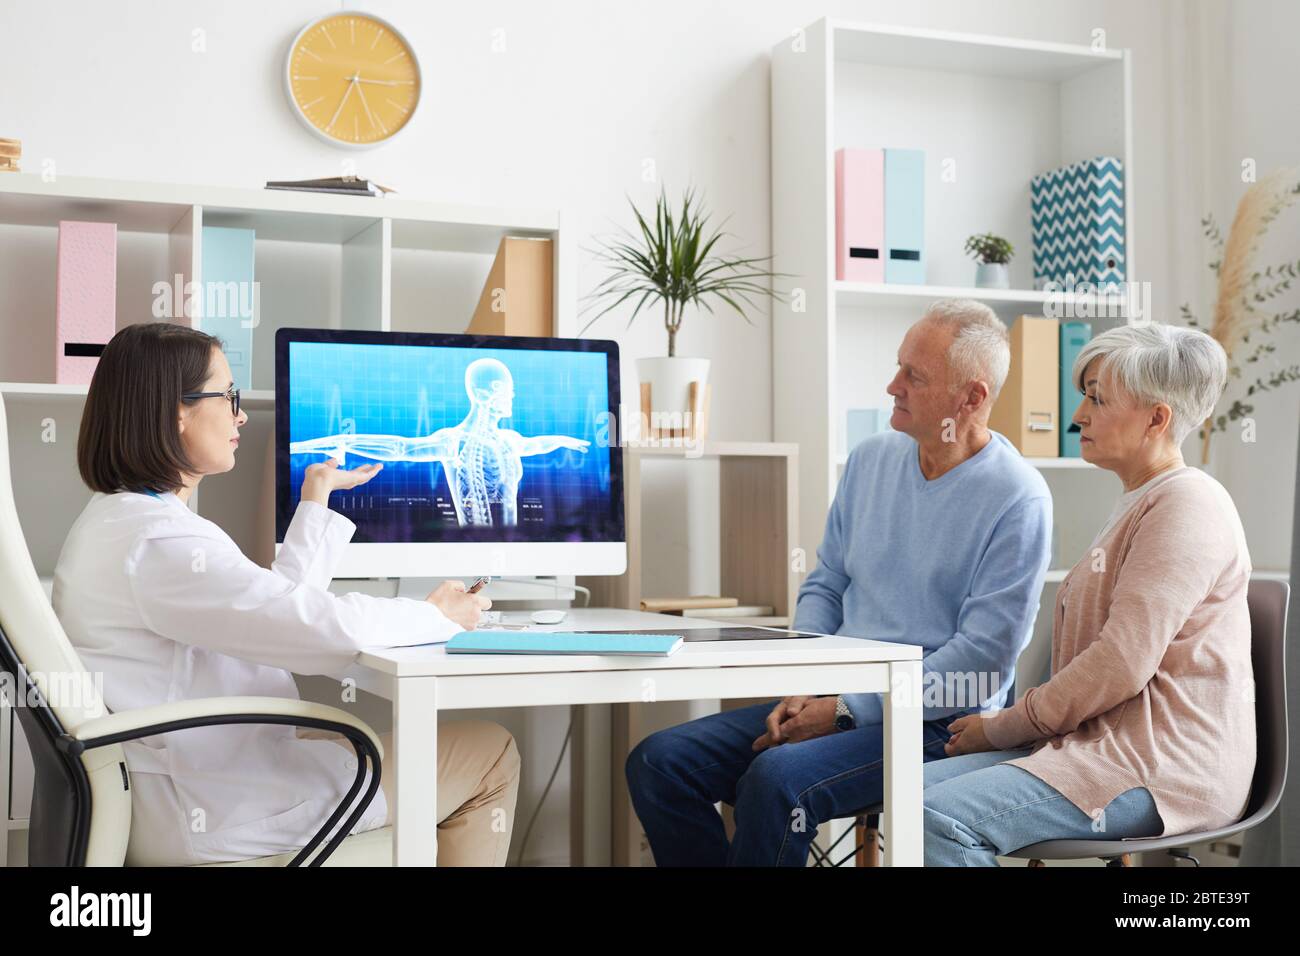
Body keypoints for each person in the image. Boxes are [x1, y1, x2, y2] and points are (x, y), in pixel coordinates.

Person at [54, 321, 519, 866]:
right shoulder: (159, 539)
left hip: (194, 786)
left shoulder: (124, 522)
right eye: (228, 396)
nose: (242, 414)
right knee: (492, 752)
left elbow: (273, 612)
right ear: (176, 409)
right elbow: (327, 629)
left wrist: (315, 500)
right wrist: (435, 614)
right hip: (222, 804)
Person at [625, 300, 1052, 865]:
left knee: (775, 780)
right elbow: (826, 584)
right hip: (833, 692)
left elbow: (981, 667)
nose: (891, 385)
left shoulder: (1018, 498)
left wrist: (849, 708)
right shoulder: (871, 459)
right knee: (659, 763)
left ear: (971, 398)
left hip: (937, 722)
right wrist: (810, 682)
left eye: (913, 376)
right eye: (898, 366)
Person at [923, 322, 1255, 866]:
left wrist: (1004, 724)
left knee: (933, 818)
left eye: (1097, 399)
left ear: (1157, 418)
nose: (1078, 415)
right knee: (906, 798)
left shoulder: (1187, 507)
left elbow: (1120, 663)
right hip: (1099, 748)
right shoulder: (1142, 500)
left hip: (1162, 765)